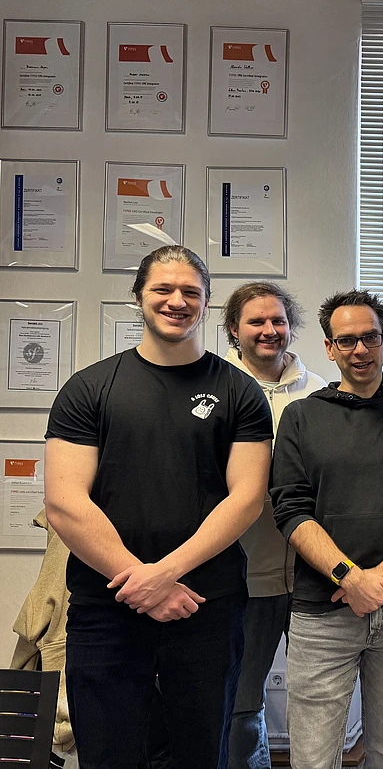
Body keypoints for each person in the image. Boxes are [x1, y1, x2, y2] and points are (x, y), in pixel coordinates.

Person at [44, 245, 273, 769]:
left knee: (201, 754)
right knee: (108, 754)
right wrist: (141, 582)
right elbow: (64, 502)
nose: (177, 301)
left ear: (208, 302)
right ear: (139, 297)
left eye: (191, 291)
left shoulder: (240, 392)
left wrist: (164, 576)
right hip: (107, 605)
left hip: (206, 605)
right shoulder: (89, 388)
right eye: (163, 289)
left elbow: (246, 499)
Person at [271, 289, 383, 768]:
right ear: (329, 348)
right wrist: (350, 576)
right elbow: (291, 511)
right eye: (347, 341)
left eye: (370, 338)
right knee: (313, 757)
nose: (360, 350)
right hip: (322, 613)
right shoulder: (302, 417)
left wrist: (380, 578)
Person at [221, 281, 326, 769]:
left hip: (314, 575)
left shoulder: (319, 390)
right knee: (242, 701)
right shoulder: (215, 387)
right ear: (233, 329)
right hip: (246, 577)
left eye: (278, 320)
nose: (269, 330)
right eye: (256, 321)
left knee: (319, 701)